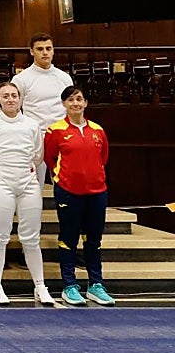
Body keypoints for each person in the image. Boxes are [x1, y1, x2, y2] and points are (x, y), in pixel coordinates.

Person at [0, 82, 54, 307]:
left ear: (20, 99)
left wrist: (24, 170)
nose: (10, 99)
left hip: (27, 183)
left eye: (14, 95)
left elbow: (38, 155)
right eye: (5, 96)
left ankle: (40, 285)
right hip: (0, 182)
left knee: (31, 237)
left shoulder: (31, 124)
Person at [44, 85, 114, 307]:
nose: (75, 103)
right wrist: (64, 179)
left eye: (79, 99)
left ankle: (96, 284)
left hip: (97, 192)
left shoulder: (98, 130)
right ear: (64, 104)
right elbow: (50, 158)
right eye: (71, 100)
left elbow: (103, 158)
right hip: (68, 191)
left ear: (85, 103)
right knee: (69, 238)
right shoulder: (54, 131)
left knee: (94, 239)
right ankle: (69, 285)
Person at [14, 34, 74, 129]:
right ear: (32, 51)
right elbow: (15, 109)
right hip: (35, 133)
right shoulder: (21, 79)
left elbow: (71, 107)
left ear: (53, 51)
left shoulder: (65, 77)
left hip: (62, 133)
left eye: (48, 48)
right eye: (40, 49)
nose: (45, 53)